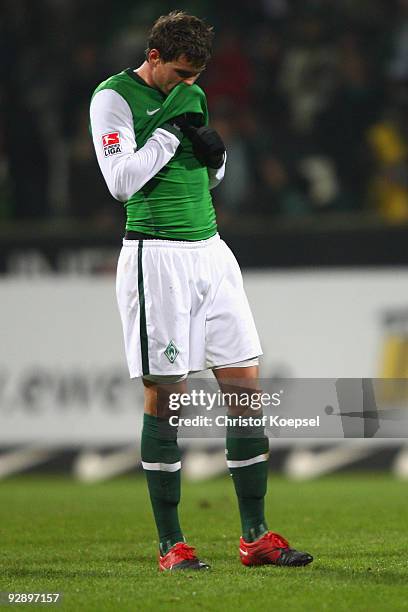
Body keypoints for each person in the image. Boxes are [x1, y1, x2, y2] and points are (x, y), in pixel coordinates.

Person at [90, 10, 313, 572]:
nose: (189, 85)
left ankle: (256, 537)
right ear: (155, 57)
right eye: (180, 73)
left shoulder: (191, 93)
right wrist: (169, 131)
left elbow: (202, 172)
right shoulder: (113, 98)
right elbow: (120, 182)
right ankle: (172, 545)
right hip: (154, 254)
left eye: (197, 76)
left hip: (211, 250)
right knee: (166, 398)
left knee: (244, 387)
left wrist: (215, 159)